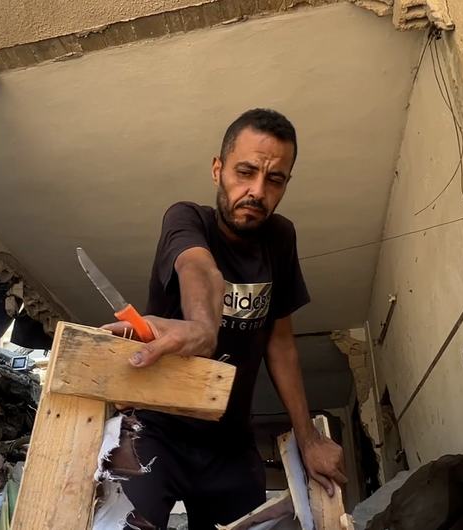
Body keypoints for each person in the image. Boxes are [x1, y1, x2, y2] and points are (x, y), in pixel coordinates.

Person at [103, 108, 346, 529]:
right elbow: (200, 270)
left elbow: (280, 340)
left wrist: (307, 437)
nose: (256, 191)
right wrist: (202, 327)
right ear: (218, 169)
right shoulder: (186, 219)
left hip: (230, 442)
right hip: (154, 431)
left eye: (274, 179)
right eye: (245, 172)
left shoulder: (281, 237)